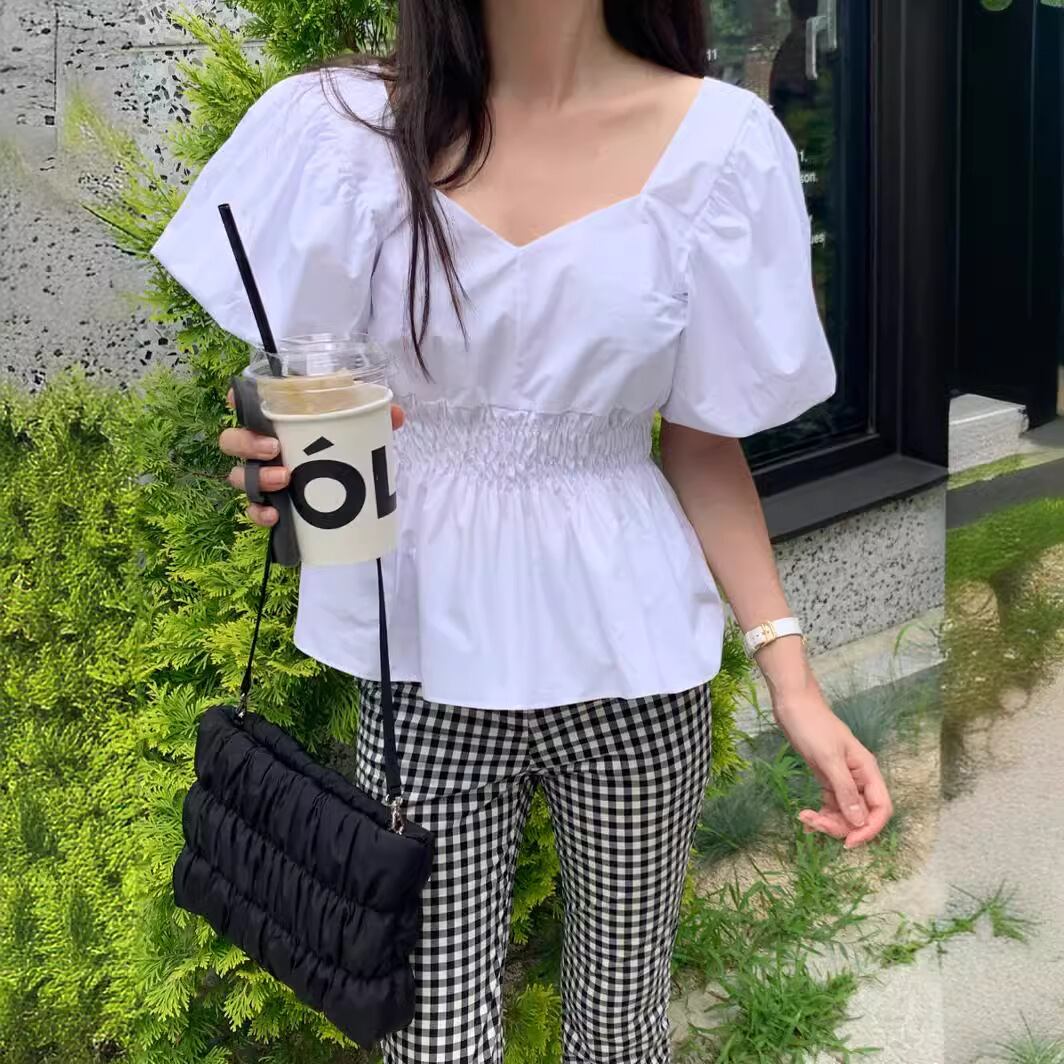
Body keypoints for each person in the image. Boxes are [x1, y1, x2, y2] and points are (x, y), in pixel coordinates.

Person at [151, 2, 893, 1061]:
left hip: (633, 667)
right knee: (428, 1037)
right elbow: (302, 380)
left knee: (621, 1027)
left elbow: (699, 443)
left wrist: (793, 679)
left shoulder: (721, 147)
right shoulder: (339, 129)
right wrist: (273, 455)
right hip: (423, 660)